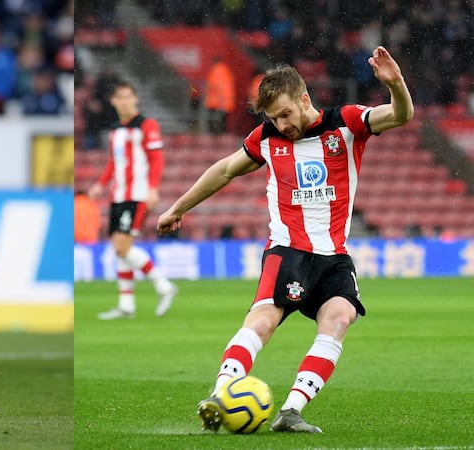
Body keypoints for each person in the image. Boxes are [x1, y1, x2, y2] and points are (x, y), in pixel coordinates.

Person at [156, 46, 413, 433]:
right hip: (288, 249)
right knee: (263, 321)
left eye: (286, 114)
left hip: (334, 255)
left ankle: (290, 411)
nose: (282, 124)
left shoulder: (344, 123)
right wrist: (178, 208)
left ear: (304, 99)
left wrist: (396, 85)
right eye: (274, 118)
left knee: (340, 318)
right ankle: (220, 394)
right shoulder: (267, 137)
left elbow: (401, 115)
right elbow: (225, 169)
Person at [88, 80, 177, 320]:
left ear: (135, 99)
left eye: (129, 97)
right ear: (114, 101)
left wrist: (152, 189)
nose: (126, 101)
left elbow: (156, 159)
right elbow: (113, 163)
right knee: (120, 250)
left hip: (136, 195)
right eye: (121, 97)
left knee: (121, 247)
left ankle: (163, 285)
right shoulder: (116, 130)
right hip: (118, 196)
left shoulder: (147, 125)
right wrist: (100, 184)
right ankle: (126, 304)